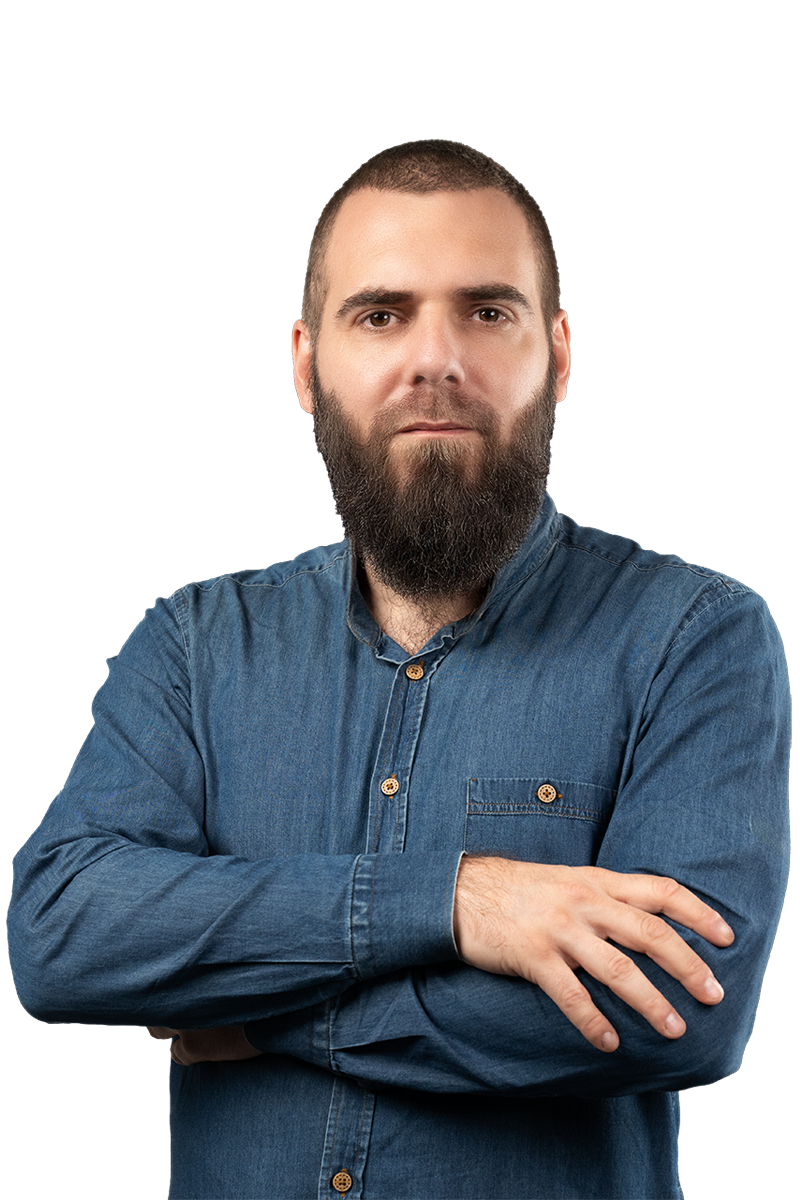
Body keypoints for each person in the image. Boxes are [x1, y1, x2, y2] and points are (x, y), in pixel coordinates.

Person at [8, 141, 789, 1200]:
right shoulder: (195, 647)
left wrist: (255, 1014)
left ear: (557, 357)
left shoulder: (694, 638)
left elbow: (671, 1014)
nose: (435, 360)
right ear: (303, 366)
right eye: (379, 315)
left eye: (486, 311)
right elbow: (59, 934)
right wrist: (454, 904)